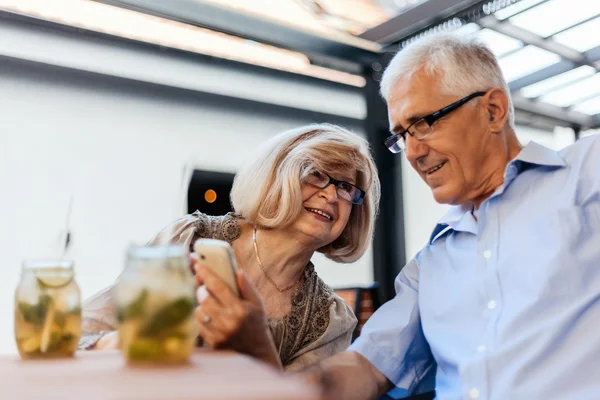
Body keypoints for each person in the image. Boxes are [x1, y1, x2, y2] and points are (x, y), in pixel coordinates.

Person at [299, 33, 600, 399]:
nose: (412, 152)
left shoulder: (586, 174)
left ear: (493, 111)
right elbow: (366, 364)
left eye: (424, 122)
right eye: (402, 136)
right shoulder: (429, 266)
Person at [79, 123, 381, 371]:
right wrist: (122, 342)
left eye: (345, 186)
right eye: (316, 175)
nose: (331, 194)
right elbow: (84, 329)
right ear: (278, 177)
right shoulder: (189, 238)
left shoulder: (331, 319)